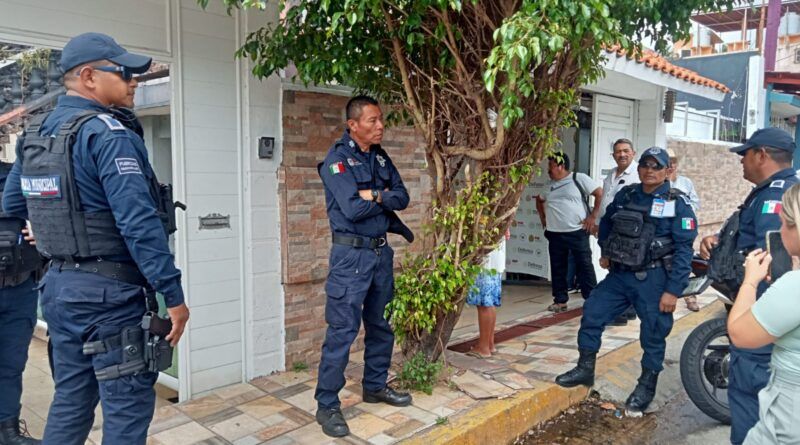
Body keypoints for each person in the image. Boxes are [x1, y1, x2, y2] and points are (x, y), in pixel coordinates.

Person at [2, 33, 190, 445]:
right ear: (88, 76)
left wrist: (50, 228)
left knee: (71, 401)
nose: (134, 81)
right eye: (123, 73)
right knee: (126, 411)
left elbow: (13, 204)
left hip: (59, 290)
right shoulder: (107, 134)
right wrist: (173, 296)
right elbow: (139, 224)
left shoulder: (36, 133)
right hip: (110, 298)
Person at [554, 147, 697, 415]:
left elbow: (684, 250)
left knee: (653, 333)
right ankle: (585, 368)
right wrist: (606, 251)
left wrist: (673, 290)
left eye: (656, 166)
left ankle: (646, 387)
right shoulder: (627, 194)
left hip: (654, 279)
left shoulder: (677, 203)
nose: (649, 170)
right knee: (593, 311)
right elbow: (607, 223)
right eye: (645, 165)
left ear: (667, 171)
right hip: (620, 276)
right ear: (638, 167)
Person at [314, 95, 413, 438]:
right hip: (350, 258)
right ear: (353, 125)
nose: (380, 125)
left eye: (381, 119)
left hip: (380, 254)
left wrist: (375, 195)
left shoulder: (380, 157)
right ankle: (327, 405)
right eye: (373, 120)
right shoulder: (336, 161)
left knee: (382, 324)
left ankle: (375, 386)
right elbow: (353, 210)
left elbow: (403, 197)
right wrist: (380, 197)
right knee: (342, 331)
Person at [698, 127, 799, 445]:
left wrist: (750, 296)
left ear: (762, 155)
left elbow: (775, 266)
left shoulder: (776, 198)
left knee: (752, 411)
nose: (741, 161)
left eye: (745, 154)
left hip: (764, 330)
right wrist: (720, 240)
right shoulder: (772, 191)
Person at [728, 184, 800, 444]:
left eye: (783, 223)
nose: (780, 231)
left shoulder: (794, 287)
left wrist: (750, 281)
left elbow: (740, 334)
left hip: (790, 415)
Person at [0, 162, 44, 445]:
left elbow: (57, 214)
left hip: (19, 288)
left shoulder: (20, 176)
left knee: (11, 364)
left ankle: (7, 432)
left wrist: (43, 229)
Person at [536, 152, 602, 312]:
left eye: (551, 166)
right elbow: (539, 199)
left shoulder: (578, 178)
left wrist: (593, 217)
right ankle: (560, 301)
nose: (548, 170)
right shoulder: (549, 185)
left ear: (561, 166)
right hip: (554, 233)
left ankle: (592, 299)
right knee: (558, 267)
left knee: (584, 265)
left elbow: (599, 193)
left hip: (577, 231)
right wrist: (543, 218)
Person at [598, 138, 640, 325]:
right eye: (618, 151)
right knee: (615, 267)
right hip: (610, 229)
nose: (622, 154)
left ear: (633, 153)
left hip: (627, 232)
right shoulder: (611, 175)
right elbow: (605, 201)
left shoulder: (638, 174)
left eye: (625, 151)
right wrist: (598, 223)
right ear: (613, 155)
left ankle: (621, 312)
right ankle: (628, 310)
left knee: (623, 270)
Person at [666, 148, 701, 312]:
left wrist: (683, 210)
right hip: (666, 230)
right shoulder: (659, 183)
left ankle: (689, 296)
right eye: (668, 162)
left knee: (683, 260)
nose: (671, 165)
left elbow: (695, 203)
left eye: (673, 162)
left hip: (683, 228)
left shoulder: (685, 182)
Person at [465, 233, 507, 358]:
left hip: (486, 258)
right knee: (489, 302)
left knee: (484, 304)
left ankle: (483, 347)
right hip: (494, 257)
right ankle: (489, 343)